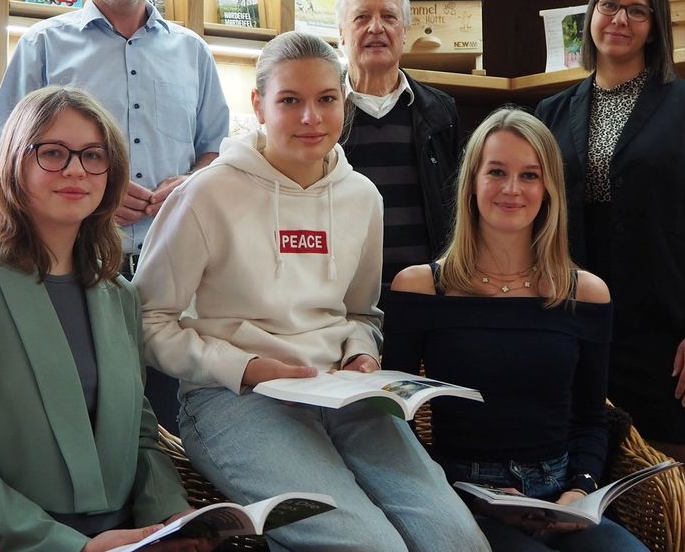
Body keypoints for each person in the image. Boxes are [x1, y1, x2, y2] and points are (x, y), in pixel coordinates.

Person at [134, 31, 490, 552]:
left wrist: (361, 356)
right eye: (290, 101)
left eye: (326, 99)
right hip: (234, 397)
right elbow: (148, 321)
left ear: (344, 102)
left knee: (459, 541)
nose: (311, 118)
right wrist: (246, 367)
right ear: (258, 105)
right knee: (372, 547)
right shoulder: (205, 195)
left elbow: (362, 314)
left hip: (342, 396)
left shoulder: (362, 198)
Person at [0, 86, 209, 552]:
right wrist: (76, 548)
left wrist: (172, 517)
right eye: (52, 153)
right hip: (19, 542)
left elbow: (142, 440)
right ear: (13, 165)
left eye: (93, 156)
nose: (75, 170)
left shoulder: (120, 296)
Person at [0, 0, 229, 430]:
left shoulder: (192, 52)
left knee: (173, 430)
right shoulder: (43, 46)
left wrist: (189, 185)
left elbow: (217, 153)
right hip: (73, 271)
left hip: (179, 280)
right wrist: (90, 194)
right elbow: (1, 160)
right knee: (81, 424)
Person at [535, 0, 685, 552]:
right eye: (607, 5)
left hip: (673, 337)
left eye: (635, 9)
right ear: (590, 17)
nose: (618, 19)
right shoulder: (552, 114)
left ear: (655, 26)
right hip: (580, 330)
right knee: (596, 482)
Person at [384, 108, 648, 552]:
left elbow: (591, 418)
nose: (512, 189)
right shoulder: (420, 286)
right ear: (472, 182)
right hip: (463, 499)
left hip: (561, 498)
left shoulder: (586, 294)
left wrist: (579, 492)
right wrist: (458, 491)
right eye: (497, 172)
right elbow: (393, 422)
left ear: (548, 191)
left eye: (529, 175)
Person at [336, 0, 460, 285]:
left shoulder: (441, 113)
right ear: (340, 33)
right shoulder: (320, 112)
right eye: (362, 17)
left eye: (389, 17)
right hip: (336, 300)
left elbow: (457, 213)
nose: (376, 27)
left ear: (405, 30)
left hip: (423, 298)